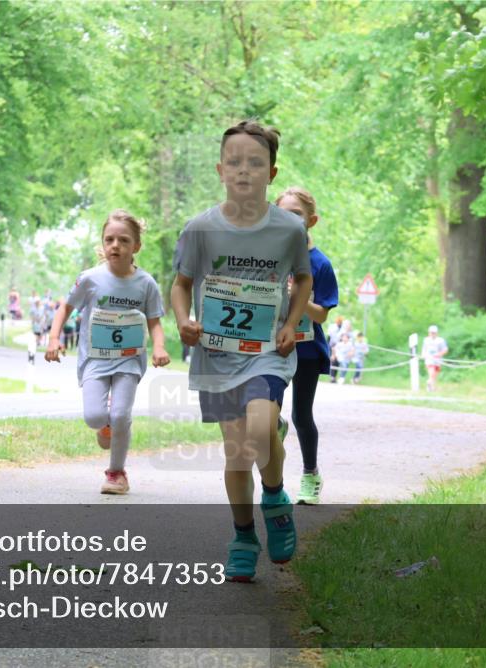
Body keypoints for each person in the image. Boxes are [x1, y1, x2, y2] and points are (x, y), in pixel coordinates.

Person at [171, 120, 312, 582]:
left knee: (258, 427)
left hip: (266, 351)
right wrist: (183, 321)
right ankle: (244, 534)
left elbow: (303, 277)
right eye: (235, 162)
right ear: (220, 169)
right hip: (215, 354)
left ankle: (273, 496)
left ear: (272, 172)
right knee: (237, 453)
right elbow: (181, 285)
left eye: (255, 162)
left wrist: (291, 324)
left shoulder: (289, 229)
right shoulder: (201, 229)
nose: (244, 170)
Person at [45, 210, 169, 494]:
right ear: (102, 244)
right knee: (94, 416)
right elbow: (65, 307)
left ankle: (116, 473)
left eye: (124, 240)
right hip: (95, 359)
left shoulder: (146, 283)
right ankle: (105, 426)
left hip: (129, 359)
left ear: (135, 247)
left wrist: (159, 346)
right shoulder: (90, 279)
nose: (116, 245)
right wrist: (53, 338)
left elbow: (154, 321)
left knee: (122, 414)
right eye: (109, 239)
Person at [275, 186, 338, 506]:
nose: (289, 219)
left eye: (296, 214)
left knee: (302, 414)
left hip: (307, 348)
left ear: (311, 220)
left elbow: (322, 315)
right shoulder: (270, 257)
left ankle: (311, 474)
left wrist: (298, 296)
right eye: (283, 213)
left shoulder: (320, 263)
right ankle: (276, 425)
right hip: (273, 345)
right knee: (265, 411)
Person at [422, 325, 448, 393]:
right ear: (429, 333)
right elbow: (424, 349)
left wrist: (439, 354)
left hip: (438, 360)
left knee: (434, 374)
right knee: (431, 371)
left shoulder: (440, 340)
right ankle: (429, 383)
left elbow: (445, 349)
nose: (432, 334)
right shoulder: (426, 340)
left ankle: (432, 387)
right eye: (431, 332)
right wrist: (423, 355)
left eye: (434, 333)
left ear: (437, 333)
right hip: (429, 359)